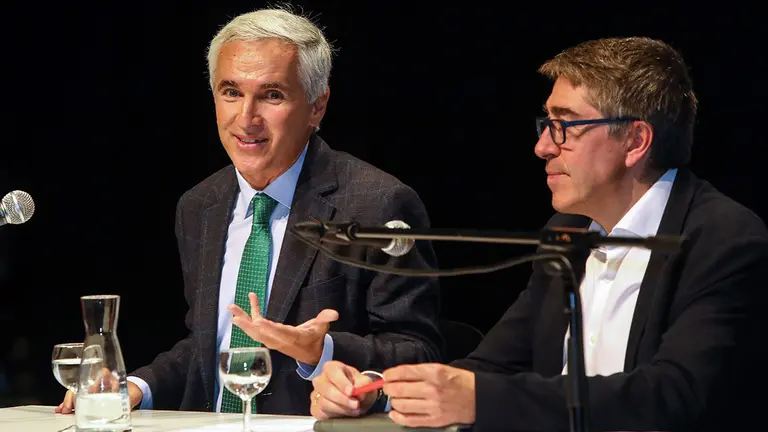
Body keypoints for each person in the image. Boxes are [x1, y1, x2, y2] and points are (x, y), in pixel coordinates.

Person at [309, 36, 768, 431]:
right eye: (546, 124)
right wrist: (379, 391)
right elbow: (491, 367)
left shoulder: (722, 237)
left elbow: (673, 394)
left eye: (564, 125)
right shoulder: (566, 232)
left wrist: (480, 400)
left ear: (635, 141)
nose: (543, 146)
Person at [56, 7, 442, 416]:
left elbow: (418, 350)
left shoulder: (376, 203)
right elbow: (208, 346)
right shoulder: (199, 205)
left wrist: (322, 350)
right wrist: (135, 386)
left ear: (317, 106)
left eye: (272, 94)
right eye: (231, 92)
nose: (246, 118)